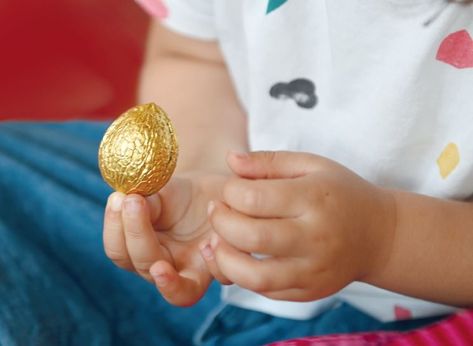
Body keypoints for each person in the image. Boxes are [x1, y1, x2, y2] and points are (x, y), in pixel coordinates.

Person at [0, 0, 472, 345]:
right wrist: (199, 175)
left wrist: (386, 238)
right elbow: (193, 55)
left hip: (408, 308)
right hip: (217, 243)